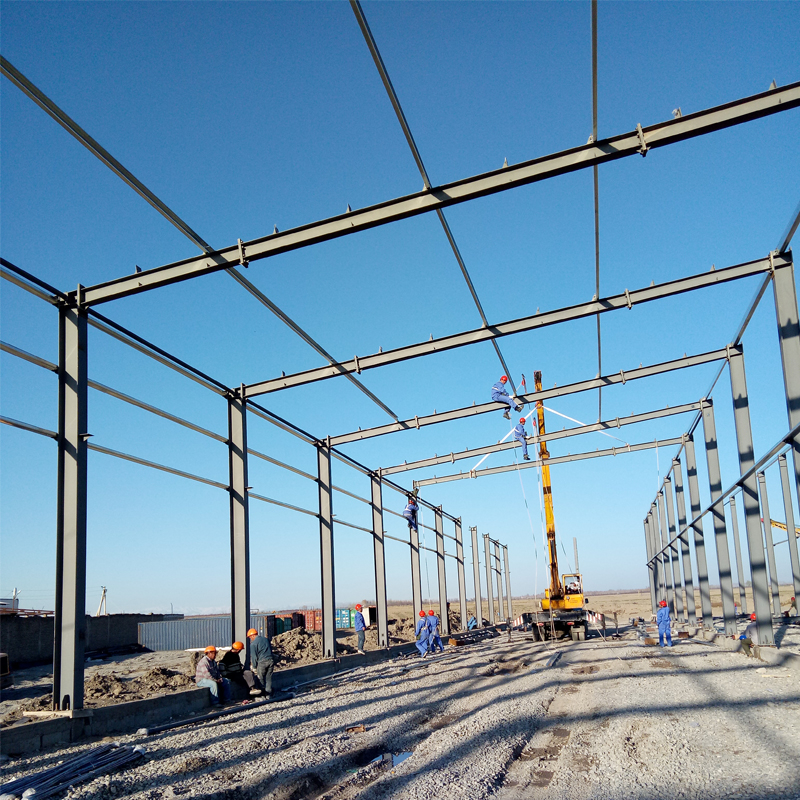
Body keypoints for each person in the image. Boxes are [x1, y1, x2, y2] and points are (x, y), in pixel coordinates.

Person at [247, 627, 274, 699]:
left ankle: (262, 695)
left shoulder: (253, 644)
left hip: (262, 662)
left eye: (250, 637)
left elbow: (254, 657)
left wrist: (254, 667)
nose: (250, 639)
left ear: (252, 635)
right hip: (270, 660)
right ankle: (268, 695)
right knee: (268, 678)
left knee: (260, 679)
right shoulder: (265, 640)